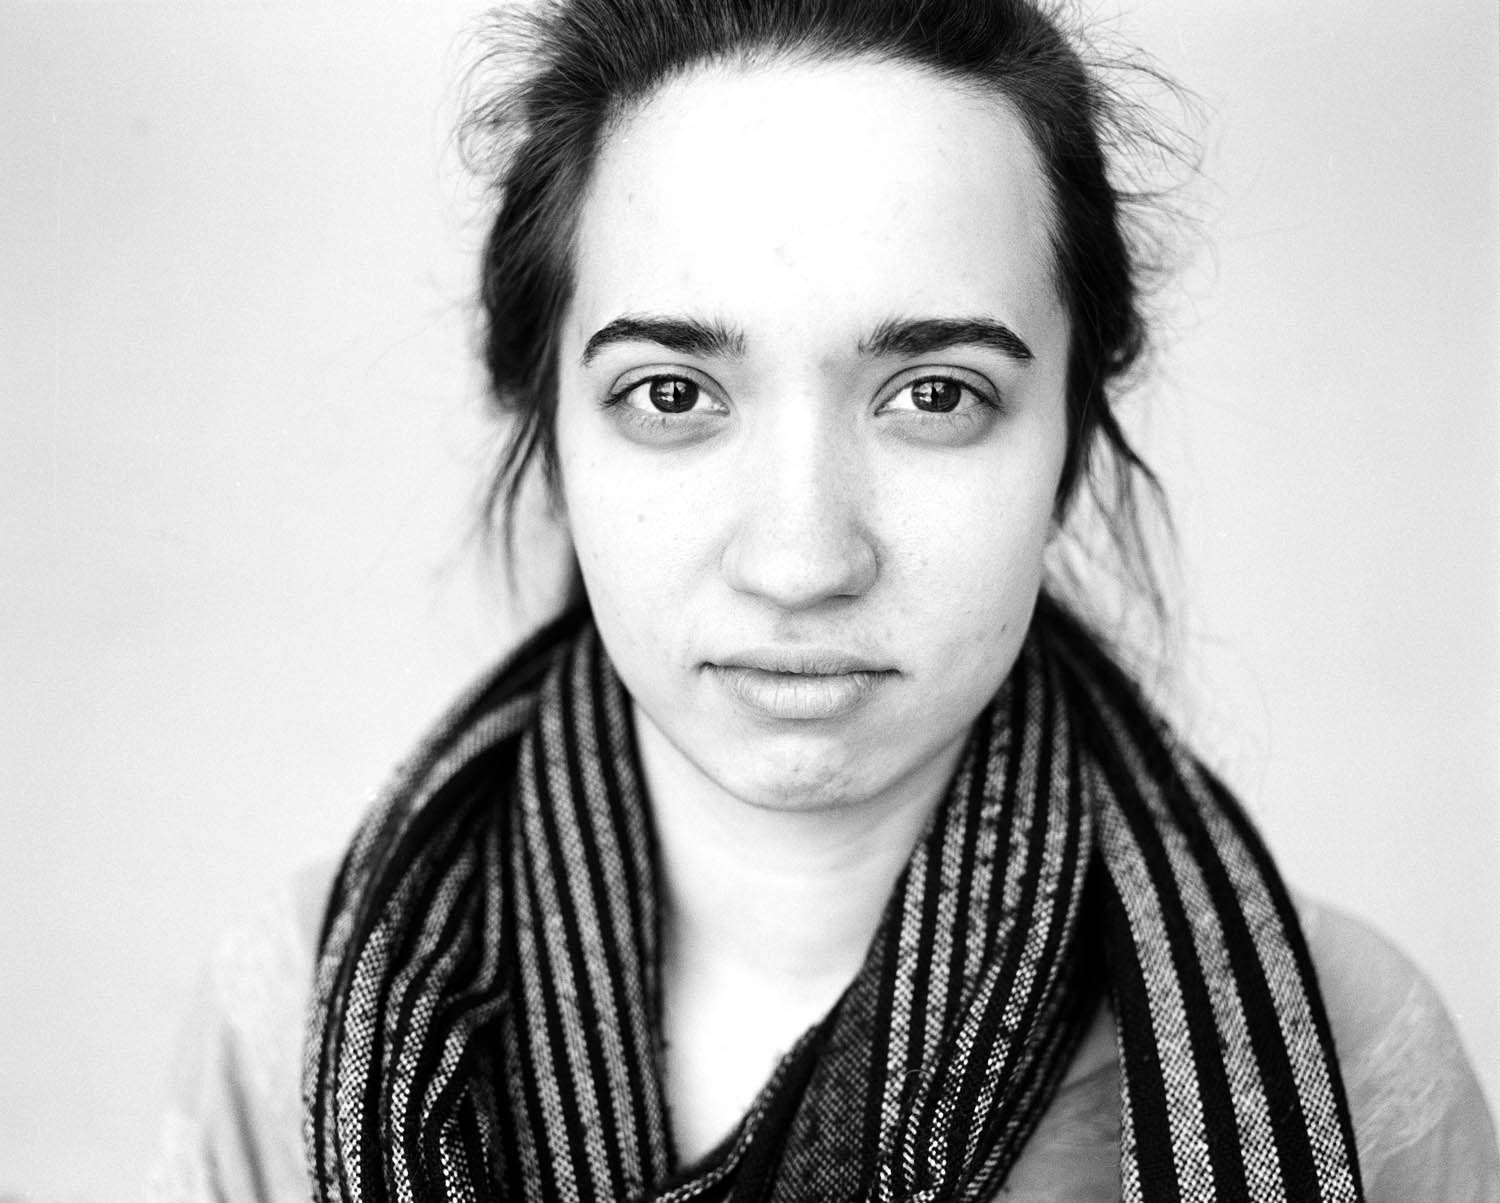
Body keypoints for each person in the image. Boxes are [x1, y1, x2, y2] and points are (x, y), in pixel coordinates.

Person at [152, 0, 1499, 1199]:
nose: (802, 561)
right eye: (672, 396)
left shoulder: (1351, 1047)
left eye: (936, 396)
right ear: (549, 429)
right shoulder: (296, 1022)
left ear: (1072, 440)